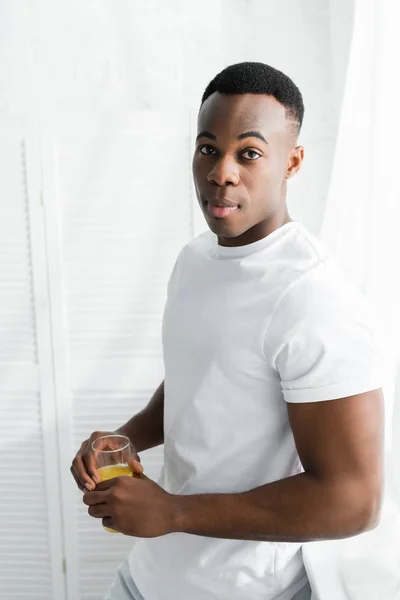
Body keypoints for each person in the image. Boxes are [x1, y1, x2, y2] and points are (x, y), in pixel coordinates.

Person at [71, 61, 384, 600]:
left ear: (293, 162)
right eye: (209, 148)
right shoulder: (195, 260)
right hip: (146, 577)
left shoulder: (313, 298)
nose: (222, 173)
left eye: (250, 153)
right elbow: (203, 378)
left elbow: (354, 500)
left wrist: (171, 510)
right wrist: (128, 437)